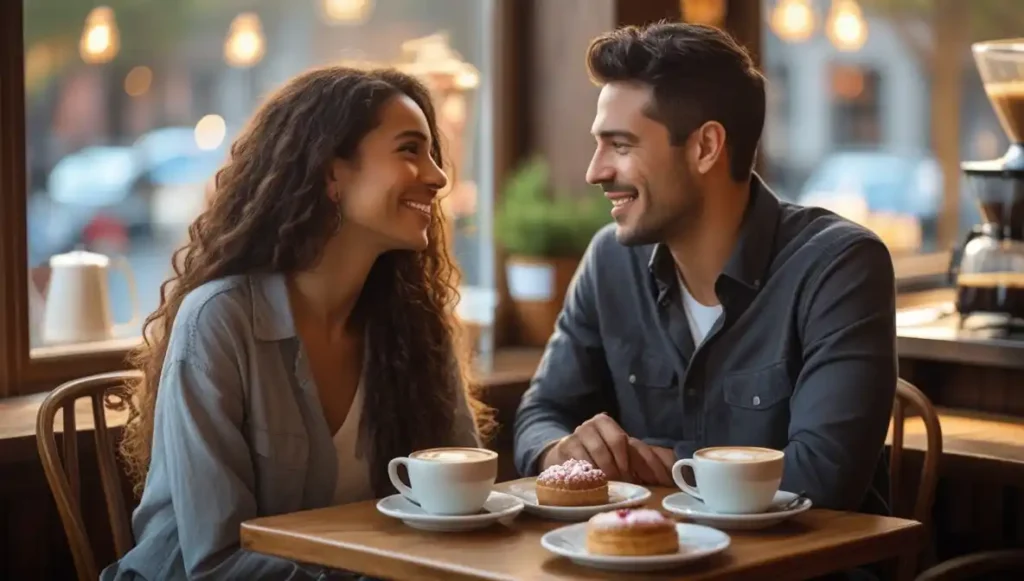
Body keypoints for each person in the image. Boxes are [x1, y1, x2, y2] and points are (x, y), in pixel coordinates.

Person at [101, 66, 492, 581]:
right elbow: (216, 560)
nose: (439, 177)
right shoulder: (219, 321)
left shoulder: (417, 326)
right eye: (409, 150)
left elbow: (458, 504)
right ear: (331, 173)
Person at [513, 21, 897, 516]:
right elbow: (540, 415)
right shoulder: (610, 261)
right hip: (653, 561)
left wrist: (660, 463)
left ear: (705, 147)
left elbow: (824, 478)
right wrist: (562, 452)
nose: (595, 172)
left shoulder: (840, 266)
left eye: (621, 145)